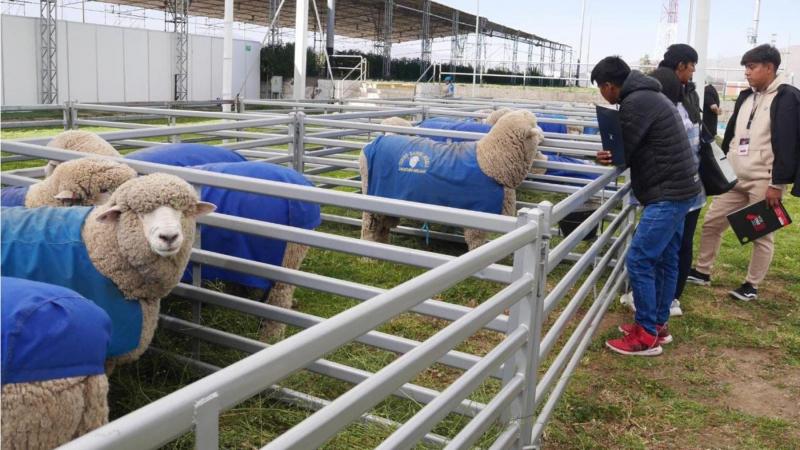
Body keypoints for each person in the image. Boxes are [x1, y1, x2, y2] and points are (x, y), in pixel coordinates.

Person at [593, 56, 701, 356]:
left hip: (667, 191)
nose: (603, 94)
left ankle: (645, 335)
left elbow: (624, 150)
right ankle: (657, 325)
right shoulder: (650, 95)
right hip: (679, 188)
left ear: (609, 86)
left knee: (639, 258)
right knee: (666, 258)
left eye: (601, 89)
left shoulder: (636, 102)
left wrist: (608, 155)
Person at [688, 44, 800, 301]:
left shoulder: (787, 97)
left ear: (769, 68)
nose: (747, 73)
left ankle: (751, 285)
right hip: (735, 177)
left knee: (761, 233)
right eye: (746, 68)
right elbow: (732, 136)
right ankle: (702, 271)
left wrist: (778, 184)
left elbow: (789, 143)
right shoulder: (746, 96)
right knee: (713, 222)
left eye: (752, 67)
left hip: (764, 180)